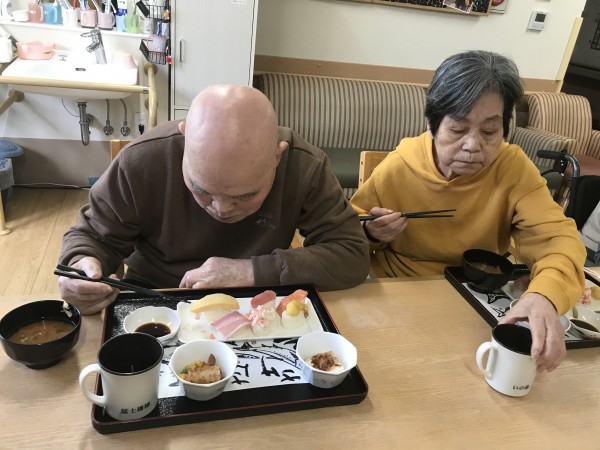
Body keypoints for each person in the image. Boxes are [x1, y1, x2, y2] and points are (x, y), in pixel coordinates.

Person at [351, 50, 586, 373]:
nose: (473, 145)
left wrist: (545, 296)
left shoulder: (513, 168)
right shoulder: (398, 166)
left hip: (479, 294)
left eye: (489, 132)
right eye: (458, 129)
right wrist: (370, 233)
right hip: (399, 291)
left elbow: (558, 238)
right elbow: (346, 232)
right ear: (432, 125)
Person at [58, 84, 370, 315]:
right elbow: (92, 236)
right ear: (184, 139)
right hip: (154, 297)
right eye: (201, 189)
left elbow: (351, 254)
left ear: (277, 156)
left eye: (245, 195)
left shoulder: (304, 165)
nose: (221, 209)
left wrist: (249, 272)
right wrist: (82, 266)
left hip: (258, 303)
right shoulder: (142, 160)